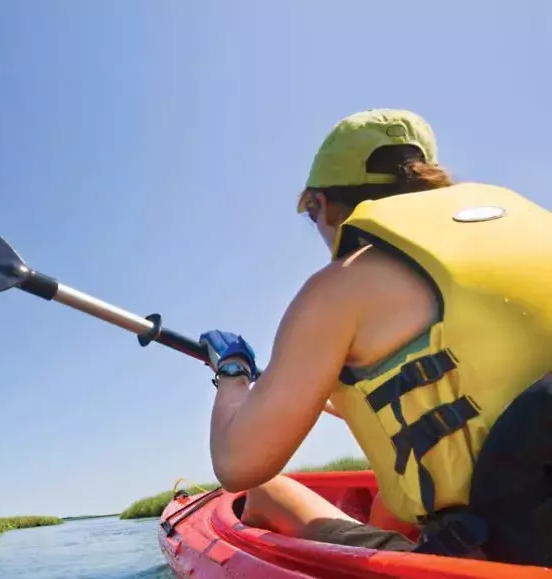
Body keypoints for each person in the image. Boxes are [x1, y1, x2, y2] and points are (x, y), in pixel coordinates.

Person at [199, 108, 552, 566]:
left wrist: (233, 371)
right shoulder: (534, 231)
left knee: (266, 492)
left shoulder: (343, 286)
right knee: (393, 498)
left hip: (499, 555)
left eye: (312, 213)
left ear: (324, 205)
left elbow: (236, 465)